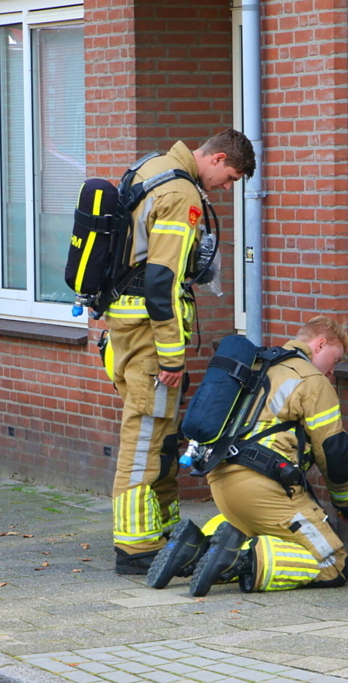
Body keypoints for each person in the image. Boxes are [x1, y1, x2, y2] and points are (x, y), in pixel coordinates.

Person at [106, 129, 256, 575]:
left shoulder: (151, 166)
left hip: (127, 326)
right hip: (149, 337)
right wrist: (172, 357)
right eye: (229, 178)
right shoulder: (181, 193)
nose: (225, 188)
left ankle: (162, 530)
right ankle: (135, 547)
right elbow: (163, 282)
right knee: (145, 437)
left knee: (161, 435)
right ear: (218, 158)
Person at [148, 316, 348, 594]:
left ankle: (193, 549)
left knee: (264, 535)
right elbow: (333, 451)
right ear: (320, 344)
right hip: (264, 489)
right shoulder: (312, 380)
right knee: (334, 564)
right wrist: (346, 504)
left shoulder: (259, 364)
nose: (331, 372)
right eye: (334, 361)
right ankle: (240, 560)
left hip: (221, 482)